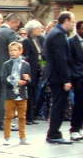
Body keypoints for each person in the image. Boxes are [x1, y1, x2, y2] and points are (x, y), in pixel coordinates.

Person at [43, 12, 76, 144]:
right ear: (66, 21)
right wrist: (66, 80)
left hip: (53, 75)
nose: (73, 24)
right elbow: (61, 59)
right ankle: (54, 133)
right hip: (57, 77)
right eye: (72, 22)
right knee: (59, 105)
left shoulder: (54, 32)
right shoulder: (59, 34)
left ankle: (54, 132)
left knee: (57, 104)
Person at [0, 13, 20, 131]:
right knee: (5, 95)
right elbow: (14, 51)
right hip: (6, 68)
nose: (16, 27)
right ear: (12, 22)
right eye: (16, 25)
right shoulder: (10, 33)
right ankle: (3, 122)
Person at [1, 42, 31, 146]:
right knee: (8, 116)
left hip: (22, 94)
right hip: (10, 94)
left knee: (22, 116)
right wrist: (15, 82)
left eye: (15, 50)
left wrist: (27, 79)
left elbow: (30, 80)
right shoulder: (7, 64)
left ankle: (22, 137)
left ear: (20, 51)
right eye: (11, 50)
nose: (13, 52)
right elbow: (3, 79)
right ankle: (7, 137)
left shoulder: (26, 64)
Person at [21, 20, 45, 124]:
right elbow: (26, 56)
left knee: (34, 92)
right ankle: (28, 116)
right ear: (33, 30)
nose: (40, 30)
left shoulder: (37, 40)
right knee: (29, 93)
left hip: (37, 70)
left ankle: (32, 115)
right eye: (38, 28)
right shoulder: (27, 41)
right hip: (30, 70)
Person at [68, 19, 83, 141]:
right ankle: (74, 128)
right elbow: (70, 61)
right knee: (79, 104)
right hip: (78, 77)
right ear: (77, 29)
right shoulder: (71, 42)